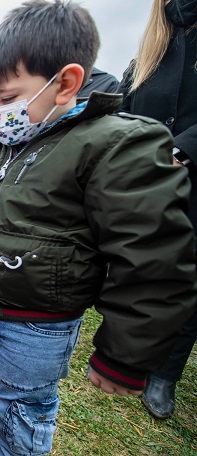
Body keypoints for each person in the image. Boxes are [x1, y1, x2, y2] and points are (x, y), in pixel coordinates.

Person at [0, 1, 196, 455]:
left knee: (21, 414)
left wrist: (124, 354)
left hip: (39, 327)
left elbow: (152, 254)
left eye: (7, 99)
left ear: (66, 83)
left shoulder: (111, 146)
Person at [119, 0, 197, 420]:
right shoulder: (149, 52)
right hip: (146, 179)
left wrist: (183, 148)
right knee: (143, 265)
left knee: (189, 277)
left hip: (190, 176)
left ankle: (166, 372)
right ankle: (133, 347)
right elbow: (126, 113)